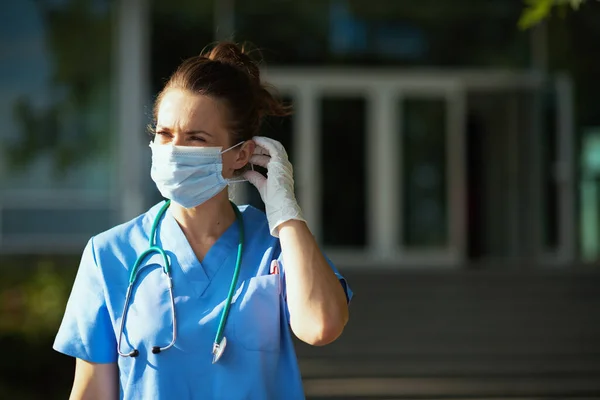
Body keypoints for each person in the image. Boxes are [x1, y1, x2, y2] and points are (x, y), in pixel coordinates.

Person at [53, 42, 352, 400]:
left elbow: (321, 326)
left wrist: (285, 211)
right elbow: (91, 393)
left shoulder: (277, 247)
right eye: (164, 135)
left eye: (196, 138)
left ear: (240, 154)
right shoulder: (110, 254)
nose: (174, 151)